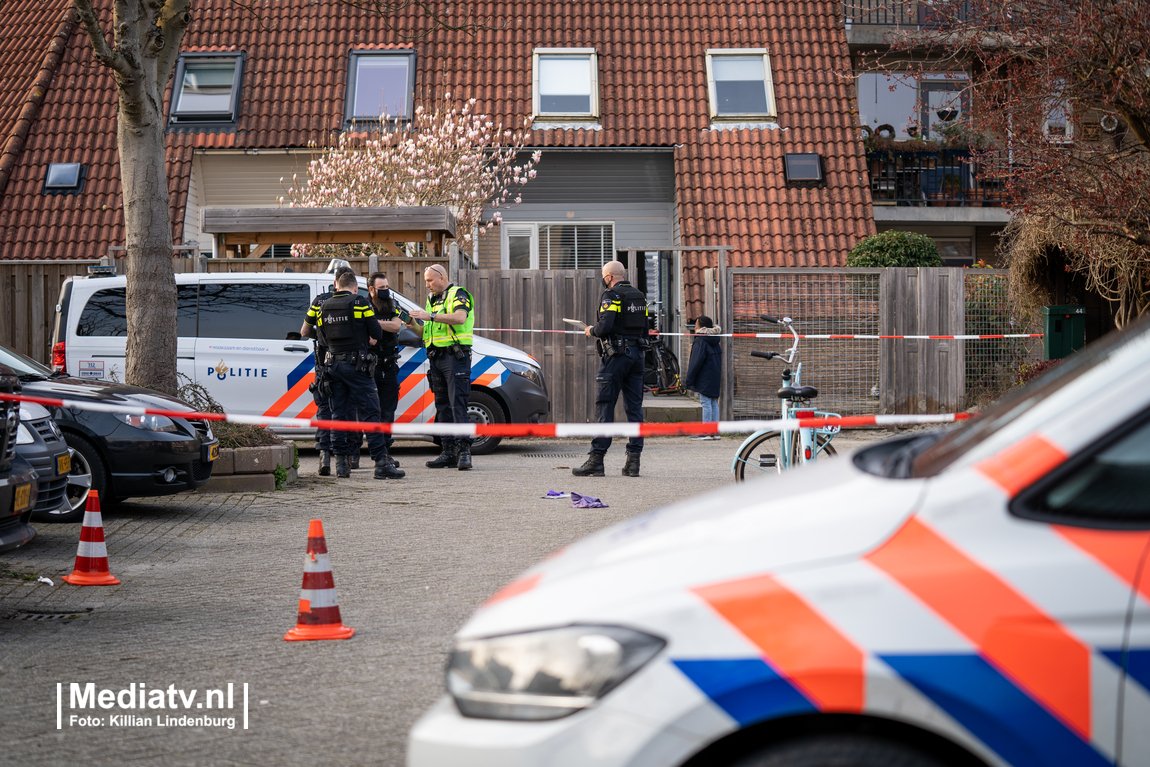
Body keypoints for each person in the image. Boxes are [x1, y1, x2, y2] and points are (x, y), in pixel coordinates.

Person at [317, 269, 405, 480]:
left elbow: (321, 338)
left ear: (337, 285)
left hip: (333, 366)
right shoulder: (359, 303)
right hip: (358, 367)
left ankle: (341, 465)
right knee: (371, 413)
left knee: (339, 415)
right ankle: (381, 463)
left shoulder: (323, 306)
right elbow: (376, 332)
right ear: (355, 287)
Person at [573, 260, 650, 478]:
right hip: (637, 357)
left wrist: (591, 330)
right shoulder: (639, 296)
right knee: (635, 409)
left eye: (604, 276)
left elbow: (605, 326)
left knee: (605, 406)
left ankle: (596, 460)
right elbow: (646, 328)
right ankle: (633, 463)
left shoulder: (612, 296)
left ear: (609, 277)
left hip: (616, 357)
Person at [410, 264, 475, 471]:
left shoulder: (458, 294)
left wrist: (429, 317)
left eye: (430, 280)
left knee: (458, 404)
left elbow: (459, 318)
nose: (427, 285)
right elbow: (429, 331)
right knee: (443, 406)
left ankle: (465, 452)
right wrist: (413, 326)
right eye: (425, 281)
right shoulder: (432, 300)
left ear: (442, 277)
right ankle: (448, 452)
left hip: (455, 357)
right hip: (436, 357)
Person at [301, 265, 355, 476]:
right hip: (347, 362)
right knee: (346, 411)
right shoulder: (354, 301)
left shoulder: (319, 302)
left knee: (324, 410)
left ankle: (324, 456)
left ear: (334, 281)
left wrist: (323, 335)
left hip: (323, 364)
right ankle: (346, 459)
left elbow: (304, 331)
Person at [367, 271, 413, 457]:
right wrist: (378, 324)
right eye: (382, 288)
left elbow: (396, 326)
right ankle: (370, 451)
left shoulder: (392, 305)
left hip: (389, 365)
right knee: (370, 410)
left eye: (387, 287)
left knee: (388, 410)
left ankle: (385, 452)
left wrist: (372, 324)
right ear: (371, 289)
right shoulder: (363, 304)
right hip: (370, 367)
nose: (386, 291)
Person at [684, 315, 723, 440]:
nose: (695, 327)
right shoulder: (715, 340)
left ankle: (706, 431)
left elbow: (696, 361)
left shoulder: (701, 340)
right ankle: (714, 431)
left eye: (696, 324)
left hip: (704, 376)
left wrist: (689, 378)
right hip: (715, 375)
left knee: (706, 402)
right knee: (713, 402)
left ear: (701, 326)